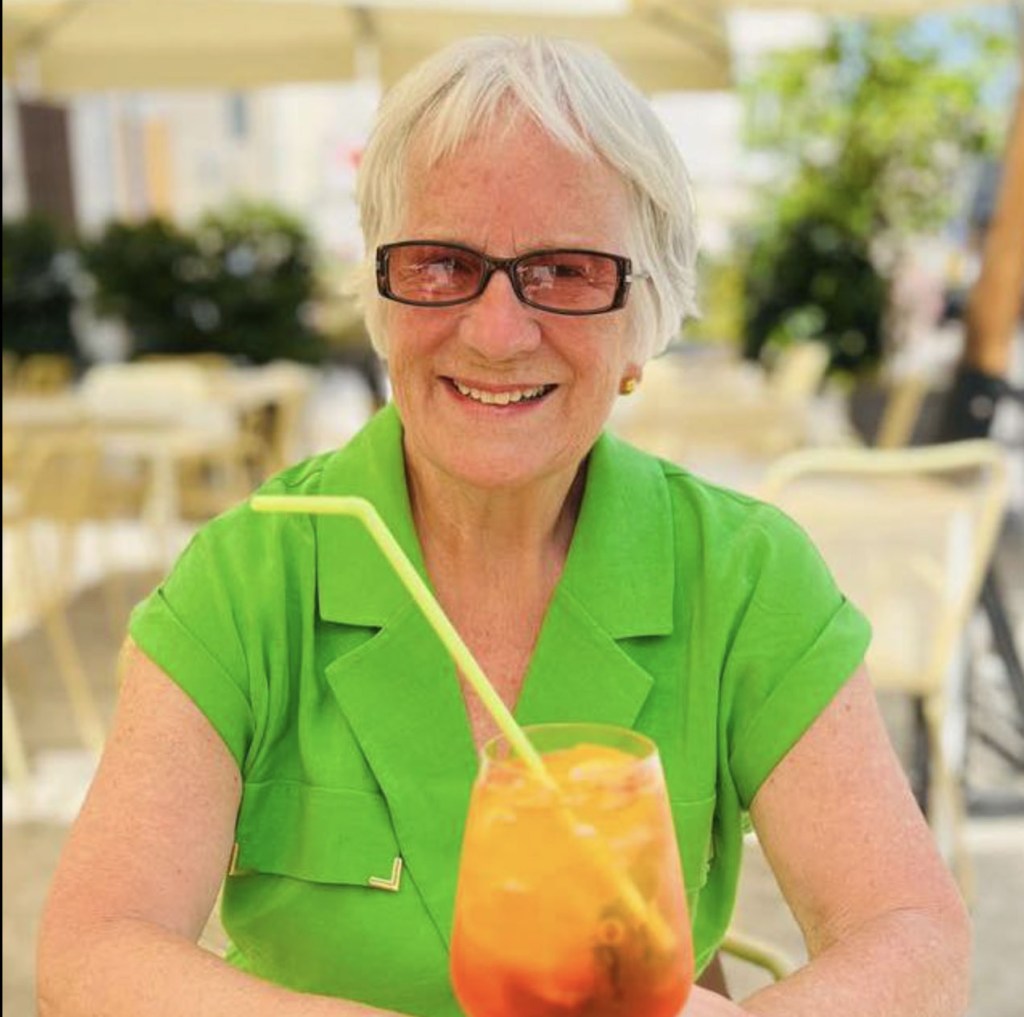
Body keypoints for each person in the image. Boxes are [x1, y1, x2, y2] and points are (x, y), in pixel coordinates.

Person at [37, 35, 969, 1017]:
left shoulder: (740, 575)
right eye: (442, 263)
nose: (495, 332)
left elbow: (913, 936)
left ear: (642, 320)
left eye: (565, 270)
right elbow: (92, 949)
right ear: (380, 296)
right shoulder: (253, 572)